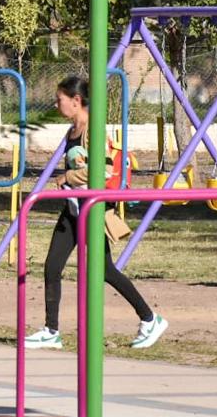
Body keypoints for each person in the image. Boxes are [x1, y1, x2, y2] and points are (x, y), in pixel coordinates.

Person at [24, 76, 167, 350]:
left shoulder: (93, 130)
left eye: (60, 99)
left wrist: (67, 176)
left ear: (76, 101)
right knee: (52, 266)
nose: (56, 104)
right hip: (73, 208)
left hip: (92, 207)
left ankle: (150, 319)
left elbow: (103, 171)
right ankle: (51, 331)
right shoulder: (72, 131)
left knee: (104, 270)